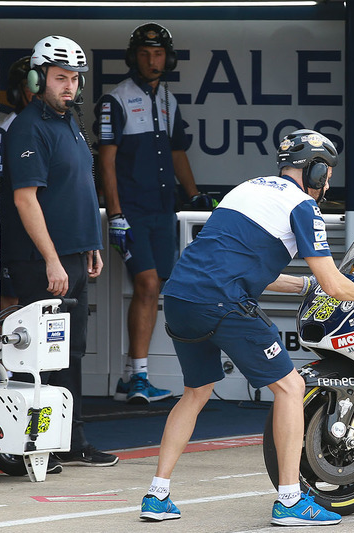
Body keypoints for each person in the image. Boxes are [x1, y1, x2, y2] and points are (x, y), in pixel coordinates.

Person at [139, 129, 354, 526]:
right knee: (291, 387)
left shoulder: (245, 190)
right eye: (326, 173)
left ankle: (157, 495)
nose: (327, 182)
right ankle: (291, 501)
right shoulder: (302, 207)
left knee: (195, 393)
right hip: (222, 302)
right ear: (313, 172)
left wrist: (302, 284)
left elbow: (235, 261)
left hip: (180, 297)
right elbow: (336, 286)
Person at [1, 35, 119, 467]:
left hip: (72, 256)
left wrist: (89, 245)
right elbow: (25, 200)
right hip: (40, 262)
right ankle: (33, 442)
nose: (68, 86)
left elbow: (75, 189)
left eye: (74, 79)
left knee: (70, 353)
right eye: (59, 78)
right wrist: (52, 258)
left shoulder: (68, 121)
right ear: (38, 79)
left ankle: (71, 439)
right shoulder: (28, 127)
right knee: (39, 358)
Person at [94, 22, 216, 404]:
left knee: (156, 287)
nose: (152, 60)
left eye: (158, 53)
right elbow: (106, 162)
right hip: (130, 214)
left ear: (168, 57)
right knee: (147, 285)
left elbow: (178, 152)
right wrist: (114, 214)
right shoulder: (115, 100)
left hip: (163, 213)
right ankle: (139, 376)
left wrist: (194, 195)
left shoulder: (168, 99)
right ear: (134, 58)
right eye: (145, 54)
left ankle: (131, 377)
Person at [0, 56, 33, 311]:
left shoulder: (56, 127)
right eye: (31, 85)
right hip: (13, 234)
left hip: (44, 239)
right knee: (12, 302)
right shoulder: (4, 131)